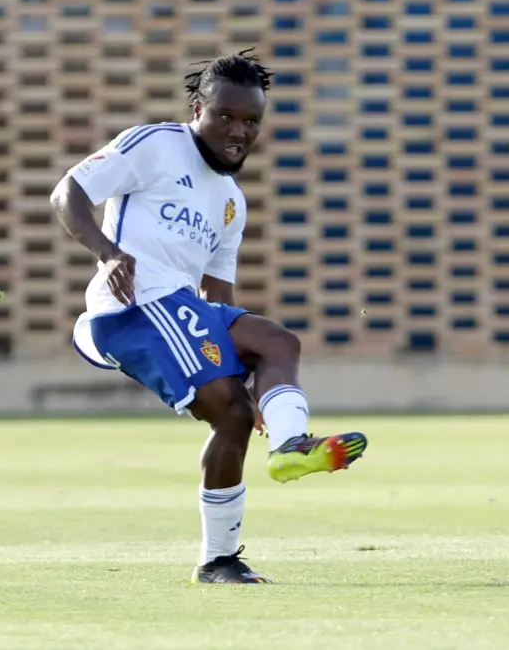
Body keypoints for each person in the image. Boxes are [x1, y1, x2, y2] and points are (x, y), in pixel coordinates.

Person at [49, 50, 368, 584]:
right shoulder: (155, 145)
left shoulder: (231, 202)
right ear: (197, 108)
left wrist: (253, 384)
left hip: (181, 308)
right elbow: (68, 193)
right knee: (231, 413)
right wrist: (107, 251)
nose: (238, 131)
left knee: (276, 344)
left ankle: (290, 443)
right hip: (135, 309)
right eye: (226, 117)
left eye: (251, 122)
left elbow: (215, 296)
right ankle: (218, 560)